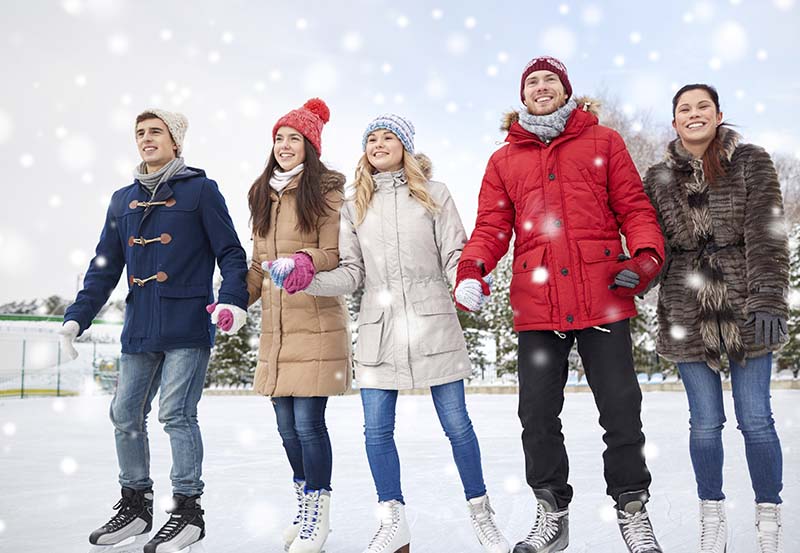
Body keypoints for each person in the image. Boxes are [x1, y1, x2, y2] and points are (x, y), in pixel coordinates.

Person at [455, 56, 666, 553]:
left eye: (550, 79)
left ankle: (633, 510)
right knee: (537, 414)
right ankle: (552, 513)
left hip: (604, 295)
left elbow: (633, 207)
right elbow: (490, 227)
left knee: (620, 409)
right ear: (521, 97)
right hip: (539, 303)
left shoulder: (604, 142)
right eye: (532, 82)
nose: (541, 87)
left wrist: (647, 256)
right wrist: (472, 269)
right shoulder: (504, 160)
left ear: (567, 90)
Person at [301, 114, 509, 553]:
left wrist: (466, 281)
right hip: (380, 328)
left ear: (405, 146)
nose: (378, 144)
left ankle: (482, 515)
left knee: (457, 425)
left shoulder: (434, 194)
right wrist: (312, 282)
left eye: (388, 136)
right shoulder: (355, 202)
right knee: (376, 431)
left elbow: (455, 251)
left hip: (433, 320)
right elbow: (353, 272)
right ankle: (392, 521)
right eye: (371, 139)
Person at [59, 108, 249, 552]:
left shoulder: (201, 191)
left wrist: (233, 301)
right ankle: (136, 504)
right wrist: (77, 315)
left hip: (187, 322)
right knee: (125, 414)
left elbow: (231, 253)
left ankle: (188, 511)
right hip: (141, 325)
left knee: (175, 414)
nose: (146, 139)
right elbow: (103, 268)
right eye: (140, 133)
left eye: (155, 132)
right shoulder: (122, 200)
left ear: (175, 141)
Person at [643, 83, 788, 553]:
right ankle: (712, 517)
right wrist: (637, 273)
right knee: (704, 422)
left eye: (702, 106)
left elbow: (767, 233)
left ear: (719, 113)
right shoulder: (658, 177)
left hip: (746, 299)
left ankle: (768, 519)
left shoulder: (751, 161)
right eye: (684, 109)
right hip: (686, 304)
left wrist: (769, 299)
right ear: (674, 122)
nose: (694, 114)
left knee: (756, 419)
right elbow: (654, 245)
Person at [246, 98, 351, 553]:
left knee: (309, 424)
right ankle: (304, 504)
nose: (285, 145)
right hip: (277, 330)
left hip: (317, 321)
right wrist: (231, 300)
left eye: (294, 139)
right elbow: (257, 265)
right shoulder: (262, 195)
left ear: (311, 146)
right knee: (286, 428)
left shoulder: (326, 191)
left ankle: (317, 515)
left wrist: (301, 261)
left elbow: (333, 253)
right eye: (279, 138)